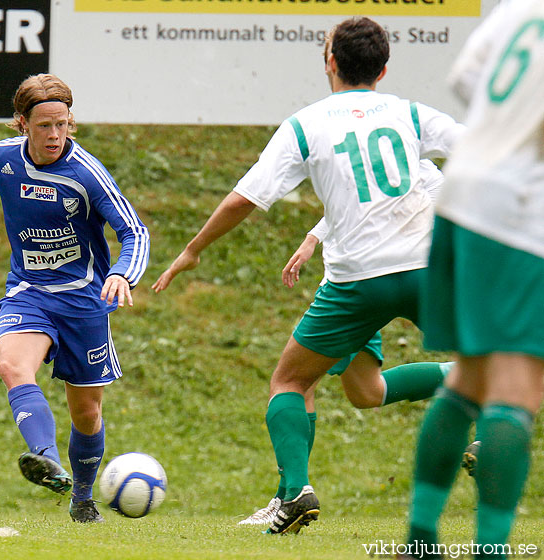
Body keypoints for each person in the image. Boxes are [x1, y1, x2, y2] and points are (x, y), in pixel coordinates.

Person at [153, 17, 464, 534]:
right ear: (383, 68)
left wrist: (193, 249)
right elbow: (484, 150)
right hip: (425, 272)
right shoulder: (411, 115)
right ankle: (479, 394)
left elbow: (245, 198)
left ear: (330, 63)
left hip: (358, 282)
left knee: (291, 381)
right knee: (377, 386)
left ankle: (293, 493)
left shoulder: (306, 124)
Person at [0, 74, 150, 523]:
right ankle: (45, 458)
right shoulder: (4, 158)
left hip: (83, 302)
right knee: (12, 365)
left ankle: (82, 496)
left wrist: (122, 274)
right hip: (29, 292)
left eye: (63, 124)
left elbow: (134, 231)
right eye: (44, 126)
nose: (55, 135)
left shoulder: (86, 174)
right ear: (22, 123)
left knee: (87, 413)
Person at [238, 161, 454, 526]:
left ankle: (289, 495)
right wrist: (312, 238)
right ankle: (458, 375)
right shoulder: (385, 165)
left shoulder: (419, 173)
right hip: (374, 289)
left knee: (295, 382)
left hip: (354, 290)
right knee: (367, 392)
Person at [405, 1, 544, 557]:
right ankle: (491, 549)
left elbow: (465, 77)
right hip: (519, 210)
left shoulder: (522, 7)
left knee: (469, 379)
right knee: (519, 386)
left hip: (461, 194)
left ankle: (421, 537)